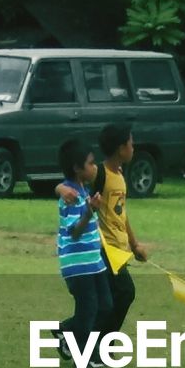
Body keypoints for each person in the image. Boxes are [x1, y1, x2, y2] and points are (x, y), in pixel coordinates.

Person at [57, 123, 148, 334]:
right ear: (120, 148)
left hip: (117, 248)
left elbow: (121, 213)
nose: (133, 148)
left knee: (112, 299)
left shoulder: (119, 175)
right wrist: (60, 188)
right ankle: (85, 339)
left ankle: (77, 335)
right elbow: (73, 181)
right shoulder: (100, 173)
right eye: (131, 144)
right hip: (104, 249)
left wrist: (134, 244)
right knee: (123, 294)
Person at [55, 140, 111, 368]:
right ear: (78, 168)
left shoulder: (83, 190)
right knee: (88, 308)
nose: (95, 166)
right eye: (90, 163)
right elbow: (74, 232)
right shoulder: (70, 195)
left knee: (105, 304)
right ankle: (83, 355)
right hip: (77, 263)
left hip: (93, 262)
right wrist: (89, 213)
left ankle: (66, 330)